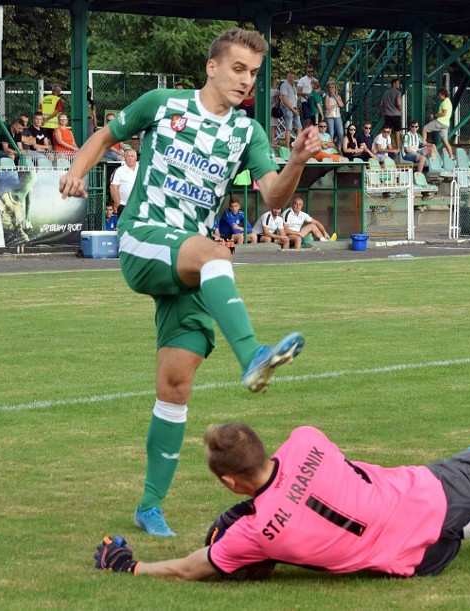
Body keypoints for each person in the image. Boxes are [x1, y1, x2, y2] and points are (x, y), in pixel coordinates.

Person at [58, 28, 320, 538]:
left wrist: (295, 162)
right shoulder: (162, 104)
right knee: (214, 250)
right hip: (144, 239)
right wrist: (77, 170)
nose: (246, 81)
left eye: (254, 74)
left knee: (176, 384)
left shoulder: (247, 134)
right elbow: (105, 136)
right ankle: (252, 356)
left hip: (193, 266)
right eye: (239, 69)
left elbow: (272, 198)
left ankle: (149, 506)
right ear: (212, 67)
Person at [94, 421, 470, 580]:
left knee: (257, 546)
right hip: (432, 496)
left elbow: (201, 563)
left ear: (230, 484)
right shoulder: (309, 440)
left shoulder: (249, 537)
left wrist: (137, 566)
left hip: (418, 562)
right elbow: (300, 472)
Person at [422, 88, 454, 159]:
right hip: (445, 124)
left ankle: (424, 143)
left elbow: (444, 113)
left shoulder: (445, 102)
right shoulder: (448, 101)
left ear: (443, 95)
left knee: (425, 128)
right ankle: (451, 156)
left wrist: (434, 115)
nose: (438, 97)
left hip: (440, 122)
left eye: (439, 95)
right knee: (445, 140)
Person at [109, 149, 138, 219]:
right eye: (128, 156)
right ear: (125, 157)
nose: (130, 158)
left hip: (139, 205)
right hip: (123, 205)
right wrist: (118, 204)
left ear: (136, 158)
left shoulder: (141, 169)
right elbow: (113, 187)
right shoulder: (119, 171)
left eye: (132, 156)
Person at [381, 78, 403, 151]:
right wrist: (400, 110)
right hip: (396, 115)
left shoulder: (385, 92)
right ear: (393, 84)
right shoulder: (398, 92)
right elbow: (398, 102)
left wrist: (382, 111)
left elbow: (381, 103)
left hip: (387, 115)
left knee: (387, 132)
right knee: (397, 132)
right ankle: (398, 148)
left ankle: (387, 148)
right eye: (398, 83)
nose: (399, 85)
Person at [279, 72, 300, 149]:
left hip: (294, 108)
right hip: (288, 109)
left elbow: (295, 98)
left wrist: (296, 109)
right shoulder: (284, 85)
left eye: (293, 77)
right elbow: (284, 99)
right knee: (289, 128)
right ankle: (287, 148)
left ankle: (297, 147)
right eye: (290, 77)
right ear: (287, 77)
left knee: (299, 127)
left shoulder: (293, 86)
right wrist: (292, 109)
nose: (292, 79)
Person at [323, 82, 344, 147]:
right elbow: (327, 107)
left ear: (335, 88)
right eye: (330, 87)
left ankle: (339, 145)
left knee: (340, 132)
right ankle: (331, 146)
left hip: (337, 116)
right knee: (331, 133)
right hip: (329, 116)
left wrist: (335, 96)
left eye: (333, 87)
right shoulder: (327, 96)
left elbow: (341, 105)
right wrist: (336, 105)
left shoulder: (338, 96)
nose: (331, 89)